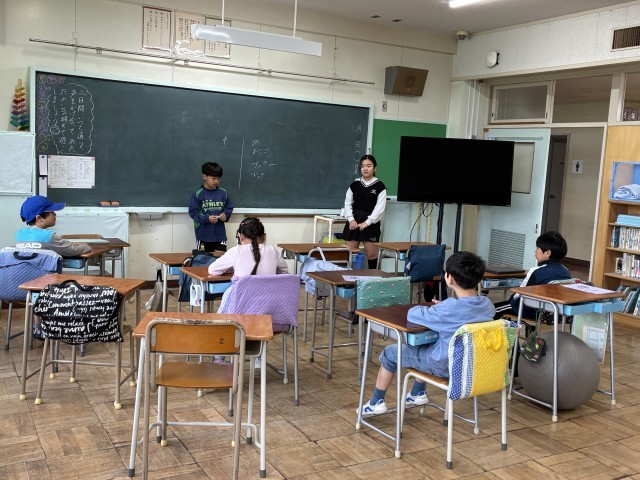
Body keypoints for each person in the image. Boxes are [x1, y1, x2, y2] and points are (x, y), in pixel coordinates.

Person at [358, 251, 495, 417]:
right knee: (428, 344)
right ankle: (417, 393)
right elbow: (461, 312)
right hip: (472, 366)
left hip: (444, 366)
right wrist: (443, 307)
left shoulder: (448, 308)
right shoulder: (487, 305)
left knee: (390, 353)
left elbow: (413, 314)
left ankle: (376, 402)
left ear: (449, 278)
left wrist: (438, 308)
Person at [494, 230, 571, 320]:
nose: (535, 251)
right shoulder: (566, 271)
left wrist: (512, 299)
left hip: (528, 310)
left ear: (547, 253)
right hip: (551, 313)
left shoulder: (536, 271)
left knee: (492, 309)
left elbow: (521, 293)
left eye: (538, 248)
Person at [342, 154, 386, 269]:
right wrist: (351, 220)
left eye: (368, 166)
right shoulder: (354, 185)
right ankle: (349, 279)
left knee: (372, 255)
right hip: (354, 222)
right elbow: (347, 204)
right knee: (350, 254)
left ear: (375, 168)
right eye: (362, 166)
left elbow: (379, 208)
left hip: (370, 223)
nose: (365, 169)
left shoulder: (380, 186)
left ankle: (373, 278)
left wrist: (367, 223)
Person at [208, 217, 289, 278]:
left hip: (242, 296)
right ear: (264, 237)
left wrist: (234, 268)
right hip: (269, 295)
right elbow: (284, 272)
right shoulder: (272, 250)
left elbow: (212, 270)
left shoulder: (236, 251)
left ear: (240, 237)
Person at [15, 195, 91, 257]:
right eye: (51, 212)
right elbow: (73, 251)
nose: (55, 214)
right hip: (44, 272)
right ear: (39, 218)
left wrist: (68, 243)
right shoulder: (48, 236)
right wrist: (85, 246)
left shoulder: (19, 234)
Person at [189, 162, 234, 253]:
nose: (216, 181)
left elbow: (229, 207)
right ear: (204, 177)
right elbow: (193, 212)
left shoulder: (223, 193)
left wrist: (225, 215)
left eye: (218, 178)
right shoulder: (198, 194)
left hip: (220, 235)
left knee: (220, 259)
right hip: (203, 235)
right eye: (213, 178)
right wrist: (207, 218)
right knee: (203, 259)